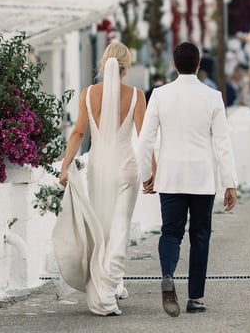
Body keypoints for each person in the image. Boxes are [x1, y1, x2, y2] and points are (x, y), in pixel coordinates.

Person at [137, 42, 238, 318]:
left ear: (173, 64)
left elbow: (145, 140)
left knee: (170, 232)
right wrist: (230, 182)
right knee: (200, 235)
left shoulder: (159, 95)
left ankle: (168, 273)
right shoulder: (213, 97)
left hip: (170, 176)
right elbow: (222, 143)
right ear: (198, 64)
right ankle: (195, 297)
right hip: (202, 178)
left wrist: (146, 174)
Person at [54, 42, 147, 316]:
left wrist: (64, 166)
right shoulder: (136, 96)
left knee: (102, 226)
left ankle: (111, 285)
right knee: (120, 226)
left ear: (102, 63)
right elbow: (144, 137)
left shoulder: (87, 94)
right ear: (125, 67)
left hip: (98, 167)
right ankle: (107, 288)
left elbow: (78, 134)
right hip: (127, 168)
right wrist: (152, 171)